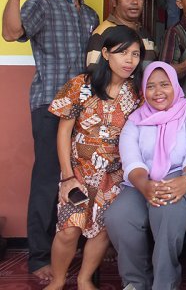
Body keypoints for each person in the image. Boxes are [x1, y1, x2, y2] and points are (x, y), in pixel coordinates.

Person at [1, 0, 99, 281]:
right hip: (49, 104)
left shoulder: (90, 14)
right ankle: (39, 256)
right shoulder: (41, 4)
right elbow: (11, 33)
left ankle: (74, 249)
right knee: (47, 177)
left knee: (82, 176)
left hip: (84, 109)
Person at [43, 26, 144, 290]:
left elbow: (166, 104)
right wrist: (67, 176)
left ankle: (84, 279)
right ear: (106, 53)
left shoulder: (138, 91)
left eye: (135, 54)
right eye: (122, 53)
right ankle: (57, 281)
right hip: (78, 172)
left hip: (115, 176)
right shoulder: (81, 85)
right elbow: (63, 132)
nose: (129, 60)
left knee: (103, 229)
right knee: (69, 229)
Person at [105, 62, 186, 290]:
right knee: (118, 216)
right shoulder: (135, 120)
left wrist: (185, 180)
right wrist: (145, 186)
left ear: (175, 85)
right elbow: (131, 160)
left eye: (165, 84)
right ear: (143, 91)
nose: (158, 92)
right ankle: (135, 282)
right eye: (151, 86)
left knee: (166, 206)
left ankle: (164, 284)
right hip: (143, 181)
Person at [86, 0, 158, 69]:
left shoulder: (144, 33)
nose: (135, 2)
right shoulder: (102, 34)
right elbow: (93, 72)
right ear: (114, 2)